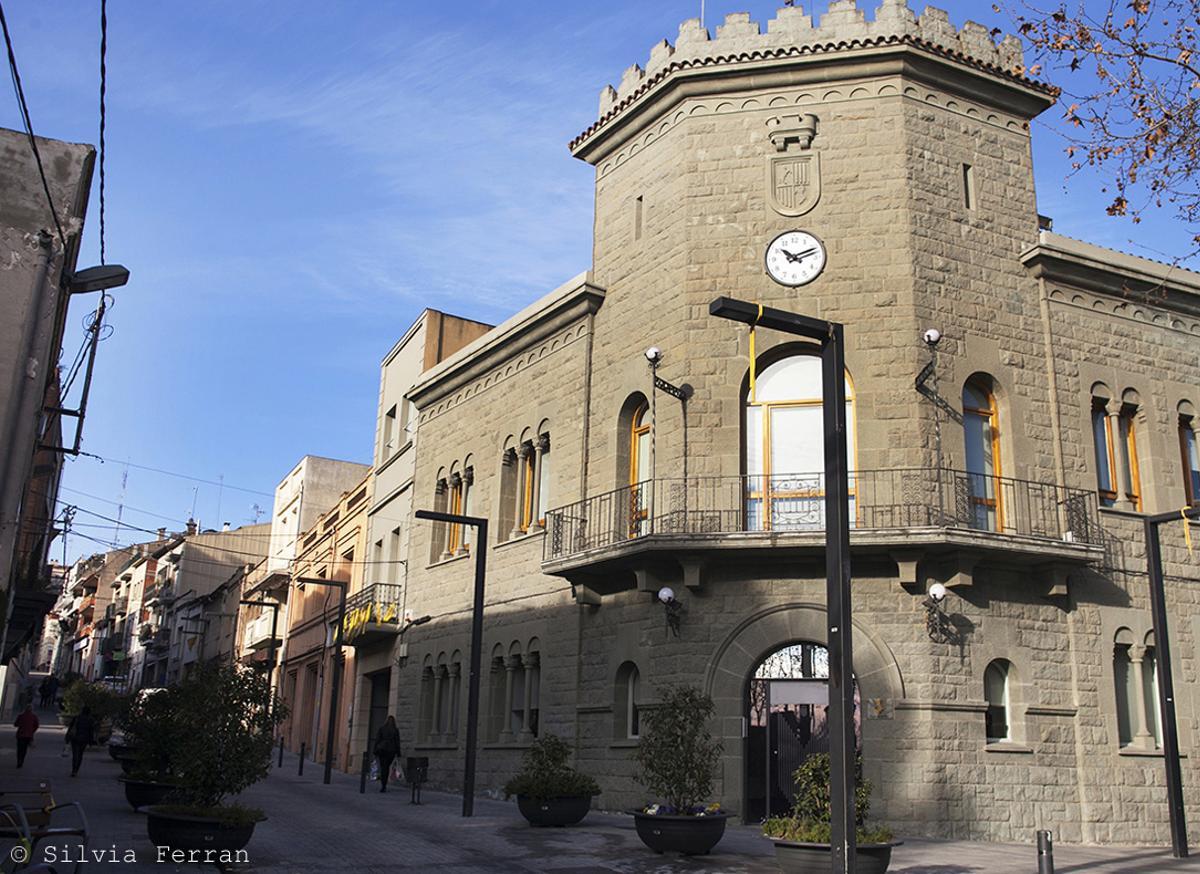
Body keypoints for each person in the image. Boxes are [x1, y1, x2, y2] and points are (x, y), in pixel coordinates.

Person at [373, 715, 402, 793]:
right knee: (386, 767)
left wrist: (375, 750)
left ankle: (383, 784)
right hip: (391, 751)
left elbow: (377, 739)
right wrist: (398, 753)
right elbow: (397, 742)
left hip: (382, 750)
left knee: (383, 767)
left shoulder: (382, 729)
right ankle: (384, 783)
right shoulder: (395, 730)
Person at [66, 705, 97, 777]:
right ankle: (76, 770)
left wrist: (67, 737)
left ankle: (74, 770)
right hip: (84, 739)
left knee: (75, 754)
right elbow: (91, 731)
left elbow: (71, 728)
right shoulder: (90, 720)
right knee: (80, 754)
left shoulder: (77, 718)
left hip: (75, 738)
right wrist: (91, 741)